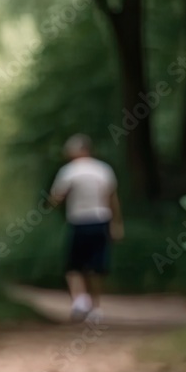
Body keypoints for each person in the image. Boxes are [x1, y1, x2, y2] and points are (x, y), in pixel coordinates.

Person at [49, 134, 123, 321]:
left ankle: (79, 301)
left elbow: (56, 198)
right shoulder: (103, 170)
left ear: (78, 150)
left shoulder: (68, 171)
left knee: (74, 266)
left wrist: (55, 205)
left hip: (79, 221)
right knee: (97, 266)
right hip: (101, 220)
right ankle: (96, 307)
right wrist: (117, 223)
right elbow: (112, 198)